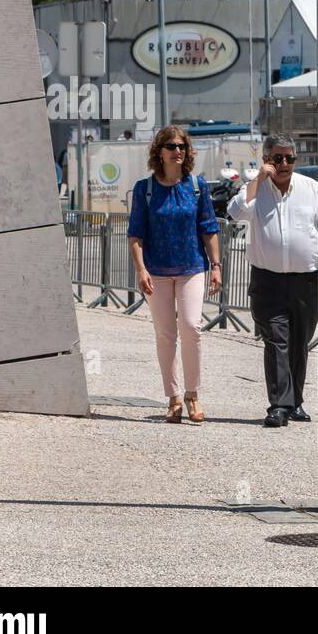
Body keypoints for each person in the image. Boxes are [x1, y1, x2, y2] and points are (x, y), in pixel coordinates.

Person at [127, 126, 223, 423]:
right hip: (156, 271)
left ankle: (193, 394)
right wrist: (141, 269)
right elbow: (135, 235)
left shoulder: (197, 186)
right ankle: (173, 398)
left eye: (182, 146)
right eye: (171, 146)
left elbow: (209, 227)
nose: (177, 150)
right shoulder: (145, 189)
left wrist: (217, 266)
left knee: (192, 328)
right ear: (159, 151)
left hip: (192, 267)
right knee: (165, 334)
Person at [228, 134, 318, 428]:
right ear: (267, 159)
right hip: (268, 280)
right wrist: (257, 178)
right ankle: (279, 404)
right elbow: (236, 212)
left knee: (299, 343)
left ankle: (295, 402)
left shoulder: (311, 189)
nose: (283, 164)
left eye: (289, 158)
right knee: (277, 340)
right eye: (277, 158)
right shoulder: (255, 191)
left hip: (306, 279)